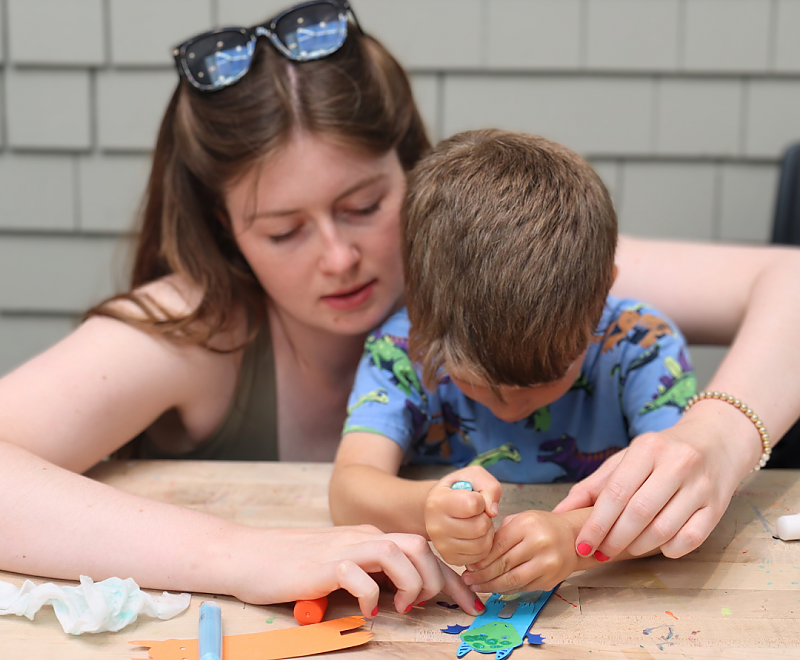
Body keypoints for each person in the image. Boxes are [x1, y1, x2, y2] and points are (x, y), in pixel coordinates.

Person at [0, 0, 798, 608]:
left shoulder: (491, 262)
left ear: (410, 172)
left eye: (363, 205)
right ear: (225, 229)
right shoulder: (197, 327)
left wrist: (720, 437)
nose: (339, 257)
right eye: (283, 230)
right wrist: (242, 556)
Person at [329, 129, 697, 592]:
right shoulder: (400, 349)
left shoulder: (641, 346)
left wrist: (572, 538)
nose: (509, 407)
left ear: (602, 294)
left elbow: (678, 492)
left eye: (545, 379)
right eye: (474, 382)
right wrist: (427, 506)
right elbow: (348, 489)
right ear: (420, 313)